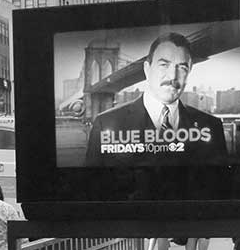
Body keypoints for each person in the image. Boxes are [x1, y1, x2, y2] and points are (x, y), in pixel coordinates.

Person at [85, 32, 228, 166]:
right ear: (147, 69)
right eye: (164, 65)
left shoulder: (212, 126)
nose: (172, 76)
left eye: (182, 67)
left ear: (189, 72)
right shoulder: (105, 124)